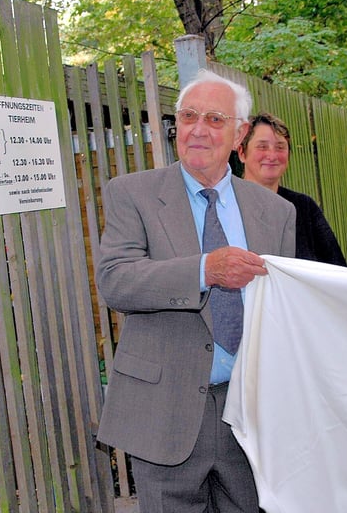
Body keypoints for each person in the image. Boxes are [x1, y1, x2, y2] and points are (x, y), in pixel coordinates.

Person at [95, 69, 296, 512]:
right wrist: (205, 269)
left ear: (239, 133)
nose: (199, 129)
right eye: (189, 116)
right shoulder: (133, 194)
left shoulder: (276, 212)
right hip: (164, 414)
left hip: (249, 417)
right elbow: (116, 281)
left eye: (214, 119)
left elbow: (286, 315)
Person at [237, 112, 347, 266]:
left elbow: (337, 268)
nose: (272, 155)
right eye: (262, 147)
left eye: (280, 147)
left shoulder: (304, 207)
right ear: (242, 153)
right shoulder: (228, 205)